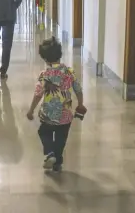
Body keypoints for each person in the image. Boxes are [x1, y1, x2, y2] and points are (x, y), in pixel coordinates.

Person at [26, 36, 86, 172]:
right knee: (61, 139)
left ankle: (50, 153)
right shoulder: (69, 72)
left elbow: (38, 94)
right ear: (60, 54)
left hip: (48, 114)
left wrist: (31, 110)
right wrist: (80, 104)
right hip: (65, 115)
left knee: (43, 132)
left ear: (45, 59)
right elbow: (78, 90)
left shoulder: (45, 74)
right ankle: (57, 162)